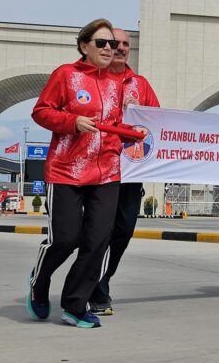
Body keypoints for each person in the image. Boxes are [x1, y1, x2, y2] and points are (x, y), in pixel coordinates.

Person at [27, 18, 138, 329]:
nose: (109, 48)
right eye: (101, 43)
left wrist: (133, 125)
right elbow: (41, 111)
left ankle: (75, 305)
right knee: (65, 239)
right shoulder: (66, 75)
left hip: (107, 172)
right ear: (84, 46)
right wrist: (72, 122)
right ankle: (39, 280)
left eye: (112, 44)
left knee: (99, 241)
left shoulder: (117, 84)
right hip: (67, 170)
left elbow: (117, 126)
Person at [88, 27, 160, 316]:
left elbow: (158, 123)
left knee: (123, 231)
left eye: (125, 44)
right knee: (97, 232)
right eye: (113, 42)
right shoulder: (93, 80)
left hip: (130, 173)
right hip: (97, 169)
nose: (119, 48)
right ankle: (96, 289)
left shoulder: (140, 84)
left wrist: (141, 111)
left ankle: (101, 280)